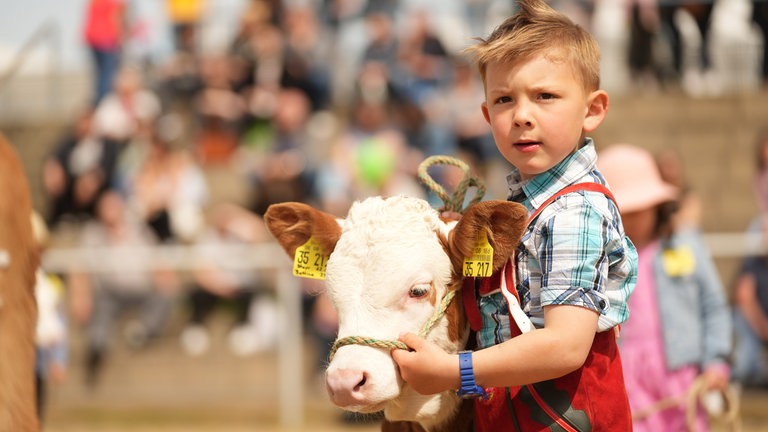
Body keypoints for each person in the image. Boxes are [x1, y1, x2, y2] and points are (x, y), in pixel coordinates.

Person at [391, 1, 638, 430]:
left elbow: (564, 345)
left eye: (545, 96)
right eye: (504, 100)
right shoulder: (526, 206)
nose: (522, 116)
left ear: (592, 110)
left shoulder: (574, 210)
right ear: (487, 116)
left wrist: (452, 372)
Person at [598, 144, 732, 431]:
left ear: (657, 206)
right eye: (625, 211)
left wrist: (715, 362)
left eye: (640, 210)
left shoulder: (685, 246)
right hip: (625, 378)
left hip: (681, 379)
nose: (633, 219)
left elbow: (713, 306)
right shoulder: (599, 263)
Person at [731, 214, 768, 388]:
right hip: (754, 322)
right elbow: (744, 297)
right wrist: (763, 327)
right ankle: (740, 377)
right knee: (741, 323)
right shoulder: (753, 262)